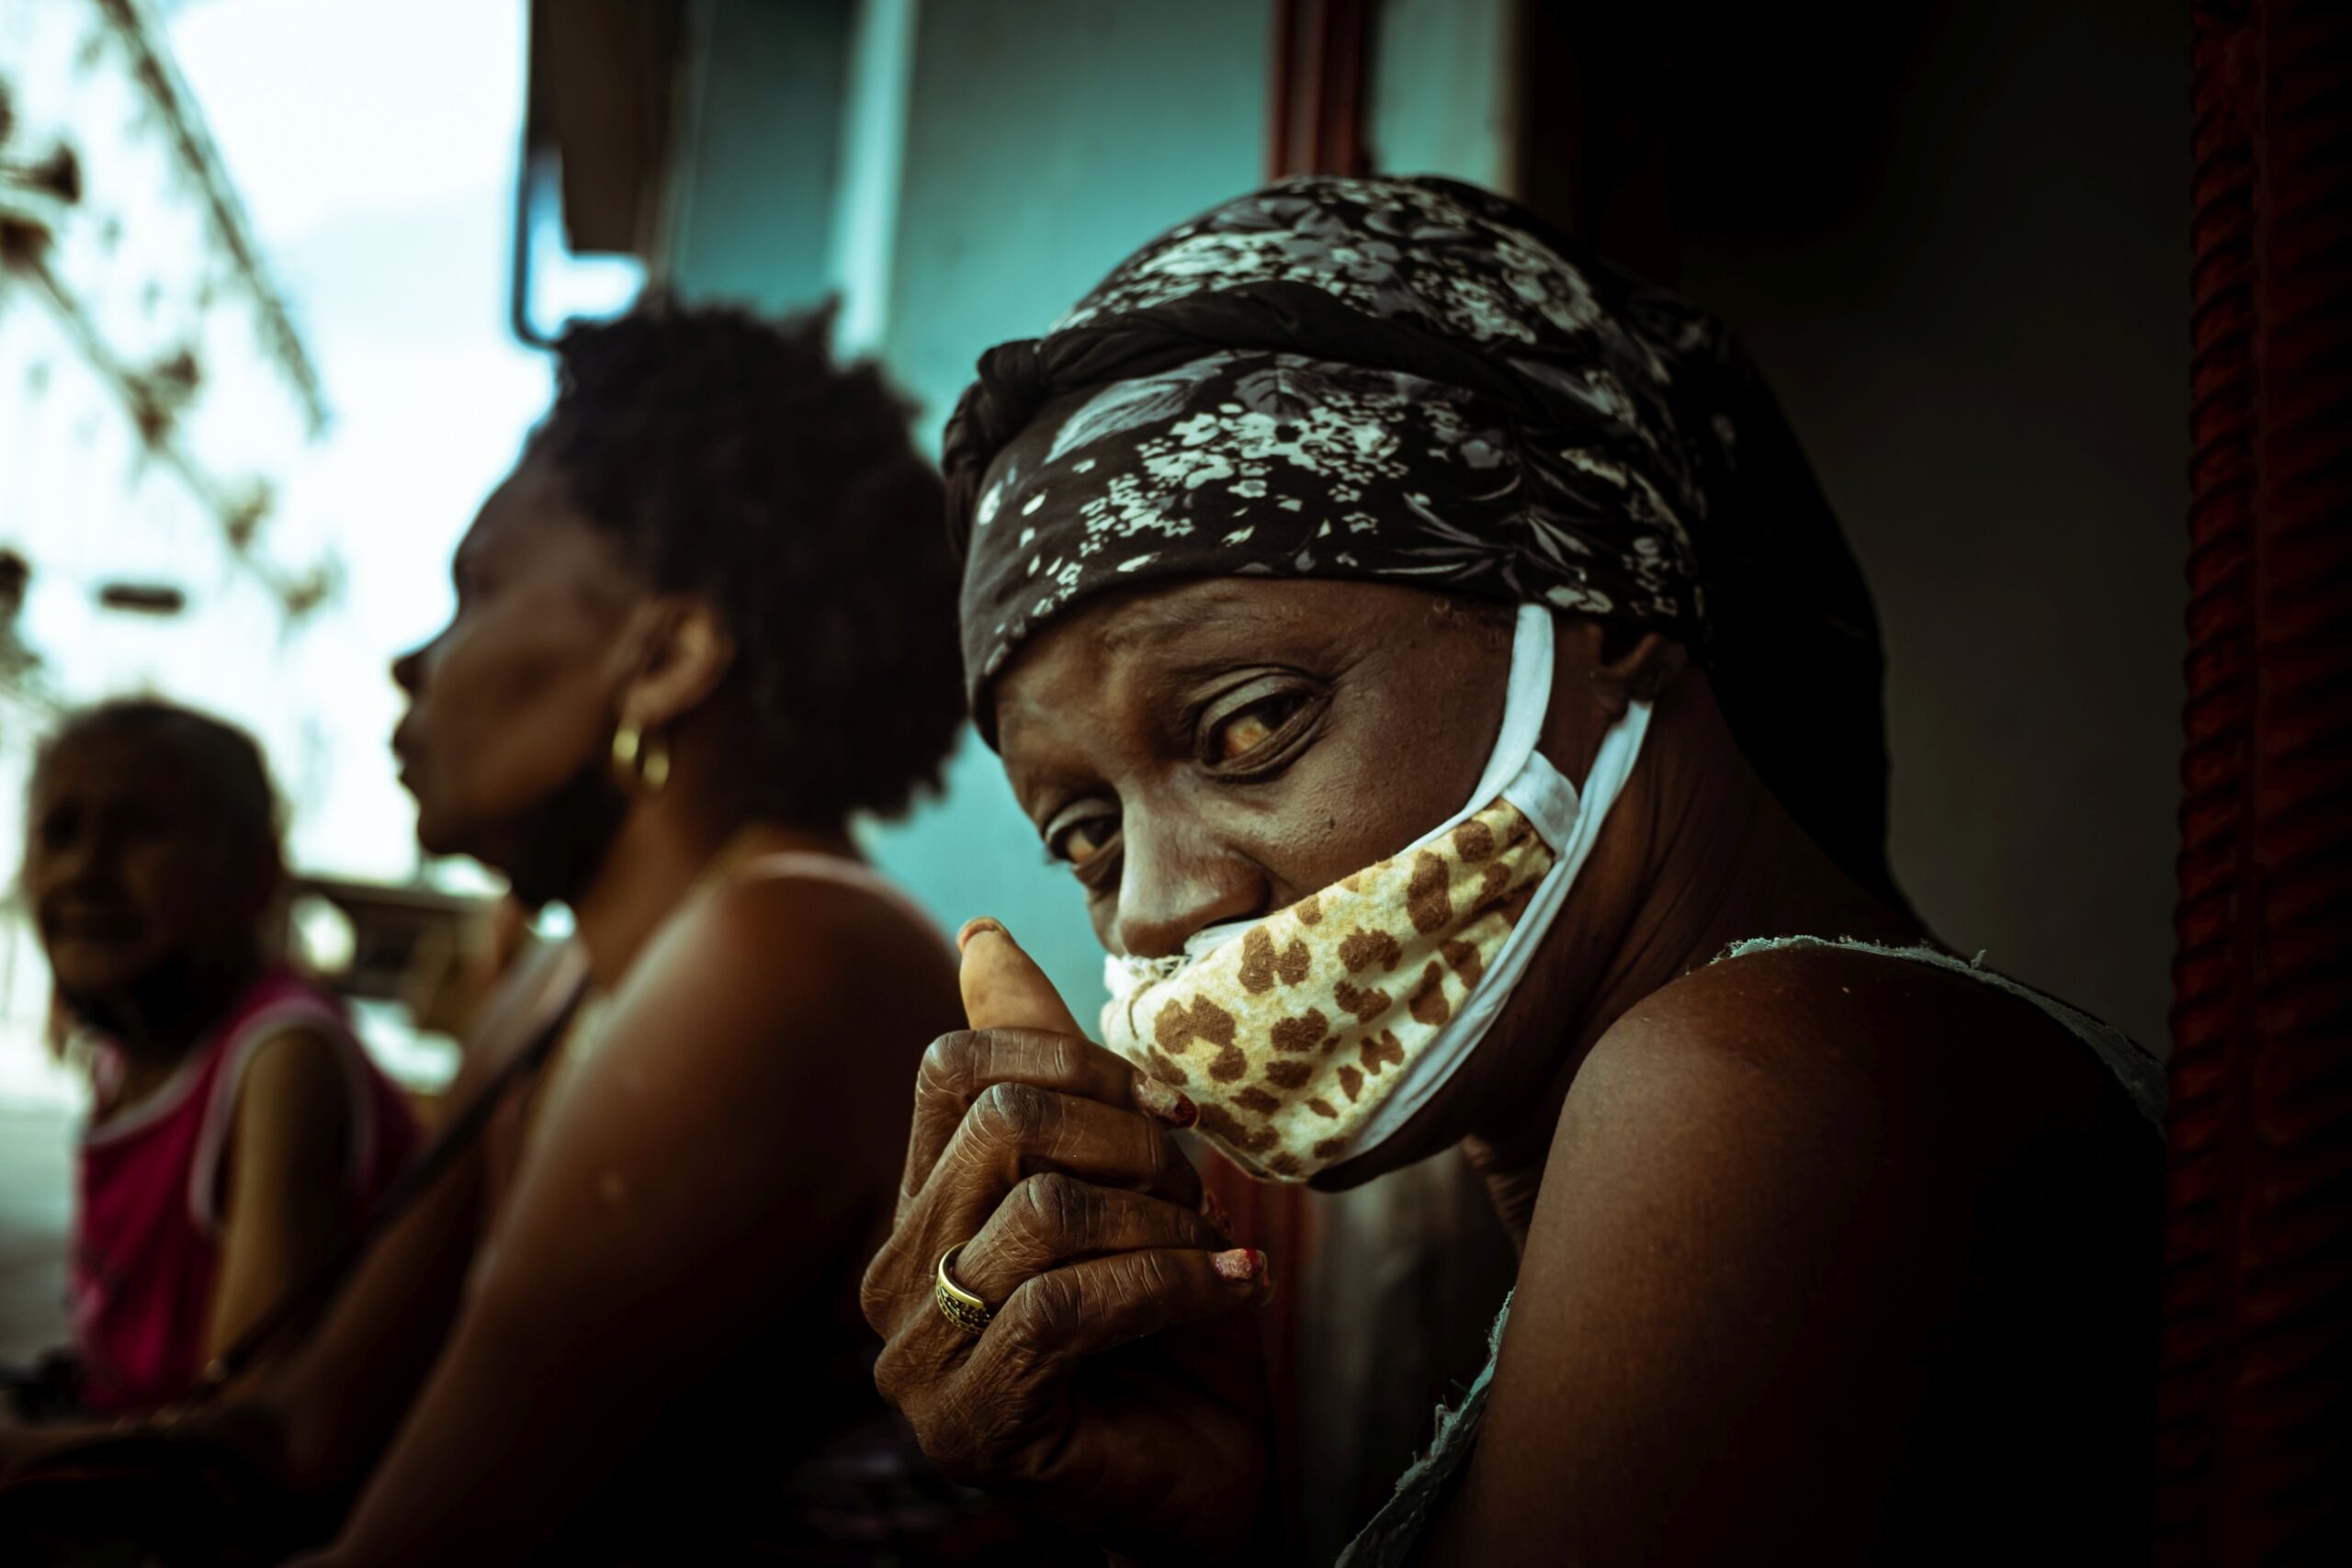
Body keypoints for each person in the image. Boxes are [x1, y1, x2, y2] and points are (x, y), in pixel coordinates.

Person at [858, 177, 2168, 1564]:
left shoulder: (1761, 1089)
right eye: (1087, 832)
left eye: (1252, 722)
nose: (1159, 906)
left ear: (1605, 603)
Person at [6, 299, 986, 1563]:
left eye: (475, 590)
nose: (414, 662)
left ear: (667, 656)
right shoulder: (570, 974)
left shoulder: (778, 945)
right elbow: (297, 1429)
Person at [17, 700, 419, 1415]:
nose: (84, 869)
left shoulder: (281, 1060)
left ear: (255, 872)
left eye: (140, 831)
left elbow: (238, 1425)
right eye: (59, 832)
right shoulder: (131, 1049)